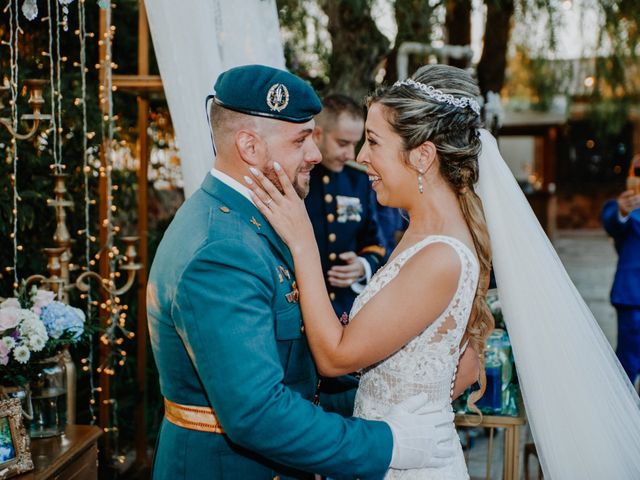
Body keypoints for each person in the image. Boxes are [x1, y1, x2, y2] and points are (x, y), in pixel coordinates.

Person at [247, 64, 640, 479]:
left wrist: (303, 242)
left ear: (422, 155)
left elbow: (335, 357)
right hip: (399, 452)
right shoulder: (424, 233)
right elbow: (456, 369)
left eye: (374, 142)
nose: (361, 157)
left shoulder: (440, 255)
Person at [147, 64, 476, 480]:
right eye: (302, 139)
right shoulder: (222, 250)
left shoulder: (256, 220)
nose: (316, 155)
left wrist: (396, 394)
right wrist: (386, 442)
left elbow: (297, 375)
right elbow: (256, 412)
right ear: (249, 146)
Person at [306, 94, 386, 319]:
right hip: (303, 309)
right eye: (342, 143)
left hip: (347, 308)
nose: (351, 154)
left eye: (355, 144)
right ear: (317, 134)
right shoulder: (298, 178)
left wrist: (362, 266)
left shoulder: (358, 180)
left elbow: (374, 243)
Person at [601, 154, 640, 384]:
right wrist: (622, 211)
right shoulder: (621, 206)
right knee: (629, 361)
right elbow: (612, 223)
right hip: (634, 296)